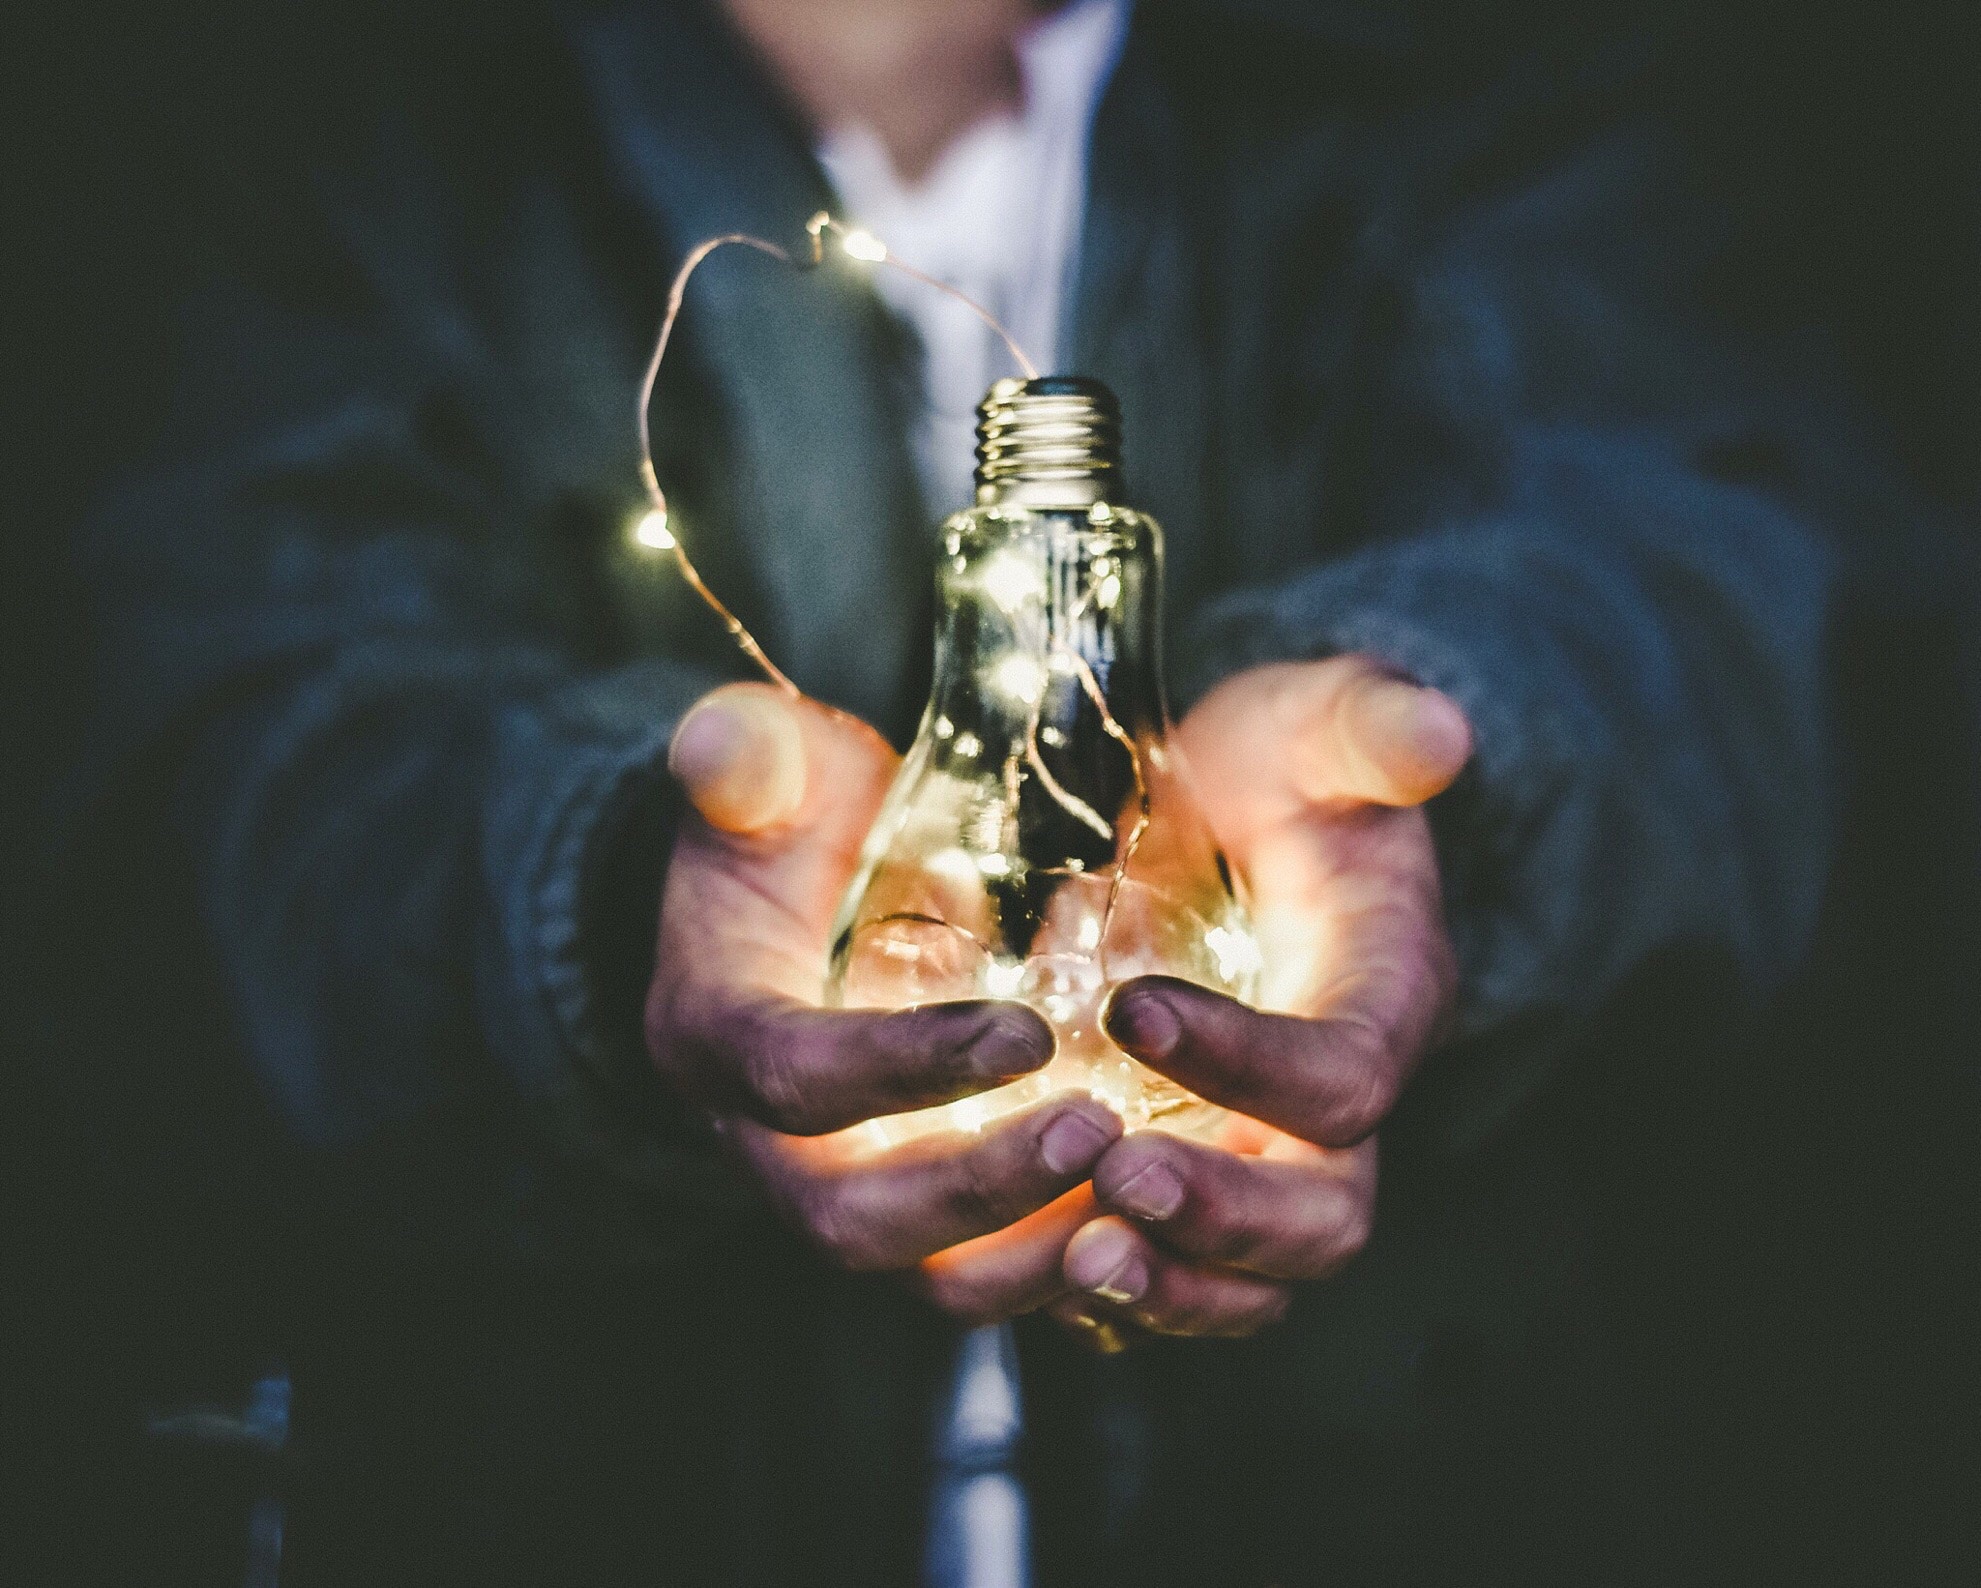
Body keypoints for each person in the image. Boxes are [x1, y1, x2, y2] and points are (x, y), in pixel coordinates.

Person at [57, 0, 1922, 1581]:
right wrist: (613, 892)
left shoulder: (1467, 94)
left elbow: (1739, 572)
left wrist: (1449, 754)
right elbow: (186, 740)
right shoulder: (375, 135)